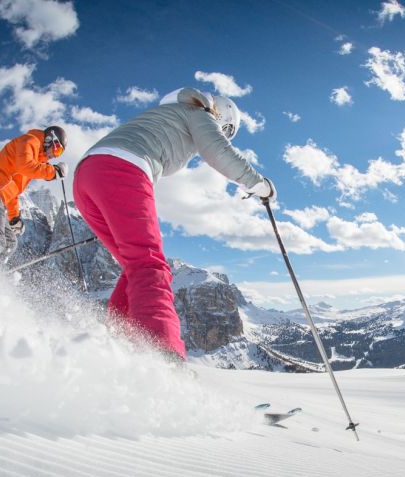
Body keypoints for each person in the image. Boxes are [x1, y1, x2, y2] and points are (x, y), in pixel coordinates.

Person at [73, 88, 275, 361]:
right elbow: (216, 150)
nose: (222, 134)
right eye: (225, 130)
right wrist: (258, 184)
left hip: (87, 175)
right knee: (150, 265)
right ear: (223, 118)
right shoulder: (198, 112)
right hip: (123, 169)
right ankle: (162, 357)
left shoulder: (167, 112)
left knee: (134, 267)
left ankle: (118, 346)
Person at [0, 126, 68, 264]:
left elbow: (13, 192)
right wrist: (52, 172)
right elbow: (25, 165)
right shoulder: (30, 141)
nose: (55, 155)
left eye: (59, 153)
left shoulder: (35, 162)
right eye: (57, 149)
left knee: (10, 242)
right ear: (50, 139)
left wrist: (14, 218)